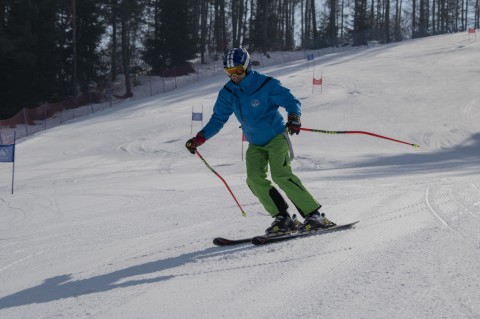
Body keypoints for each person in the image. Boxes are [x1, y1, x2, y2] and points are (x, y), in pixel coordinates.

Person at [186, 48, 335, 235]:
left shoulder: (265, 84)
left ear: (247, 67)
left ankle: (314, 215)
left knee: (281, 175)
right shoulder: (228, 92)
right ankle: (283, 217)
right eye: (229, 72)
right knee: (254, 179)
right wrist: (200, 138)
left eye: (238, 71)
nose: (235, 76)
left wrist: (294, 117)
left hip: (275, 137)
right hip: (255, 143)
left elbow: (291, 100)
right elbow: (218, 119)